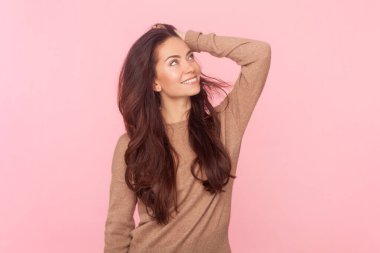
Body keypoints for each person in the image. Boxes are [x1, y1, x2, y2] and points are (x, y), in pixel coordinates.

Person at [104, 23, 271, 253]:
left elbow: (259, 54)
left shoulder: (224, 125)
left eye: (190, 57)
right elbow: (118, 228)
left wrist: (188, 38)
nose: (190, 67)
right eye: (174, 62)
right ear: (154, 82)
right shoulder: (132, 145)